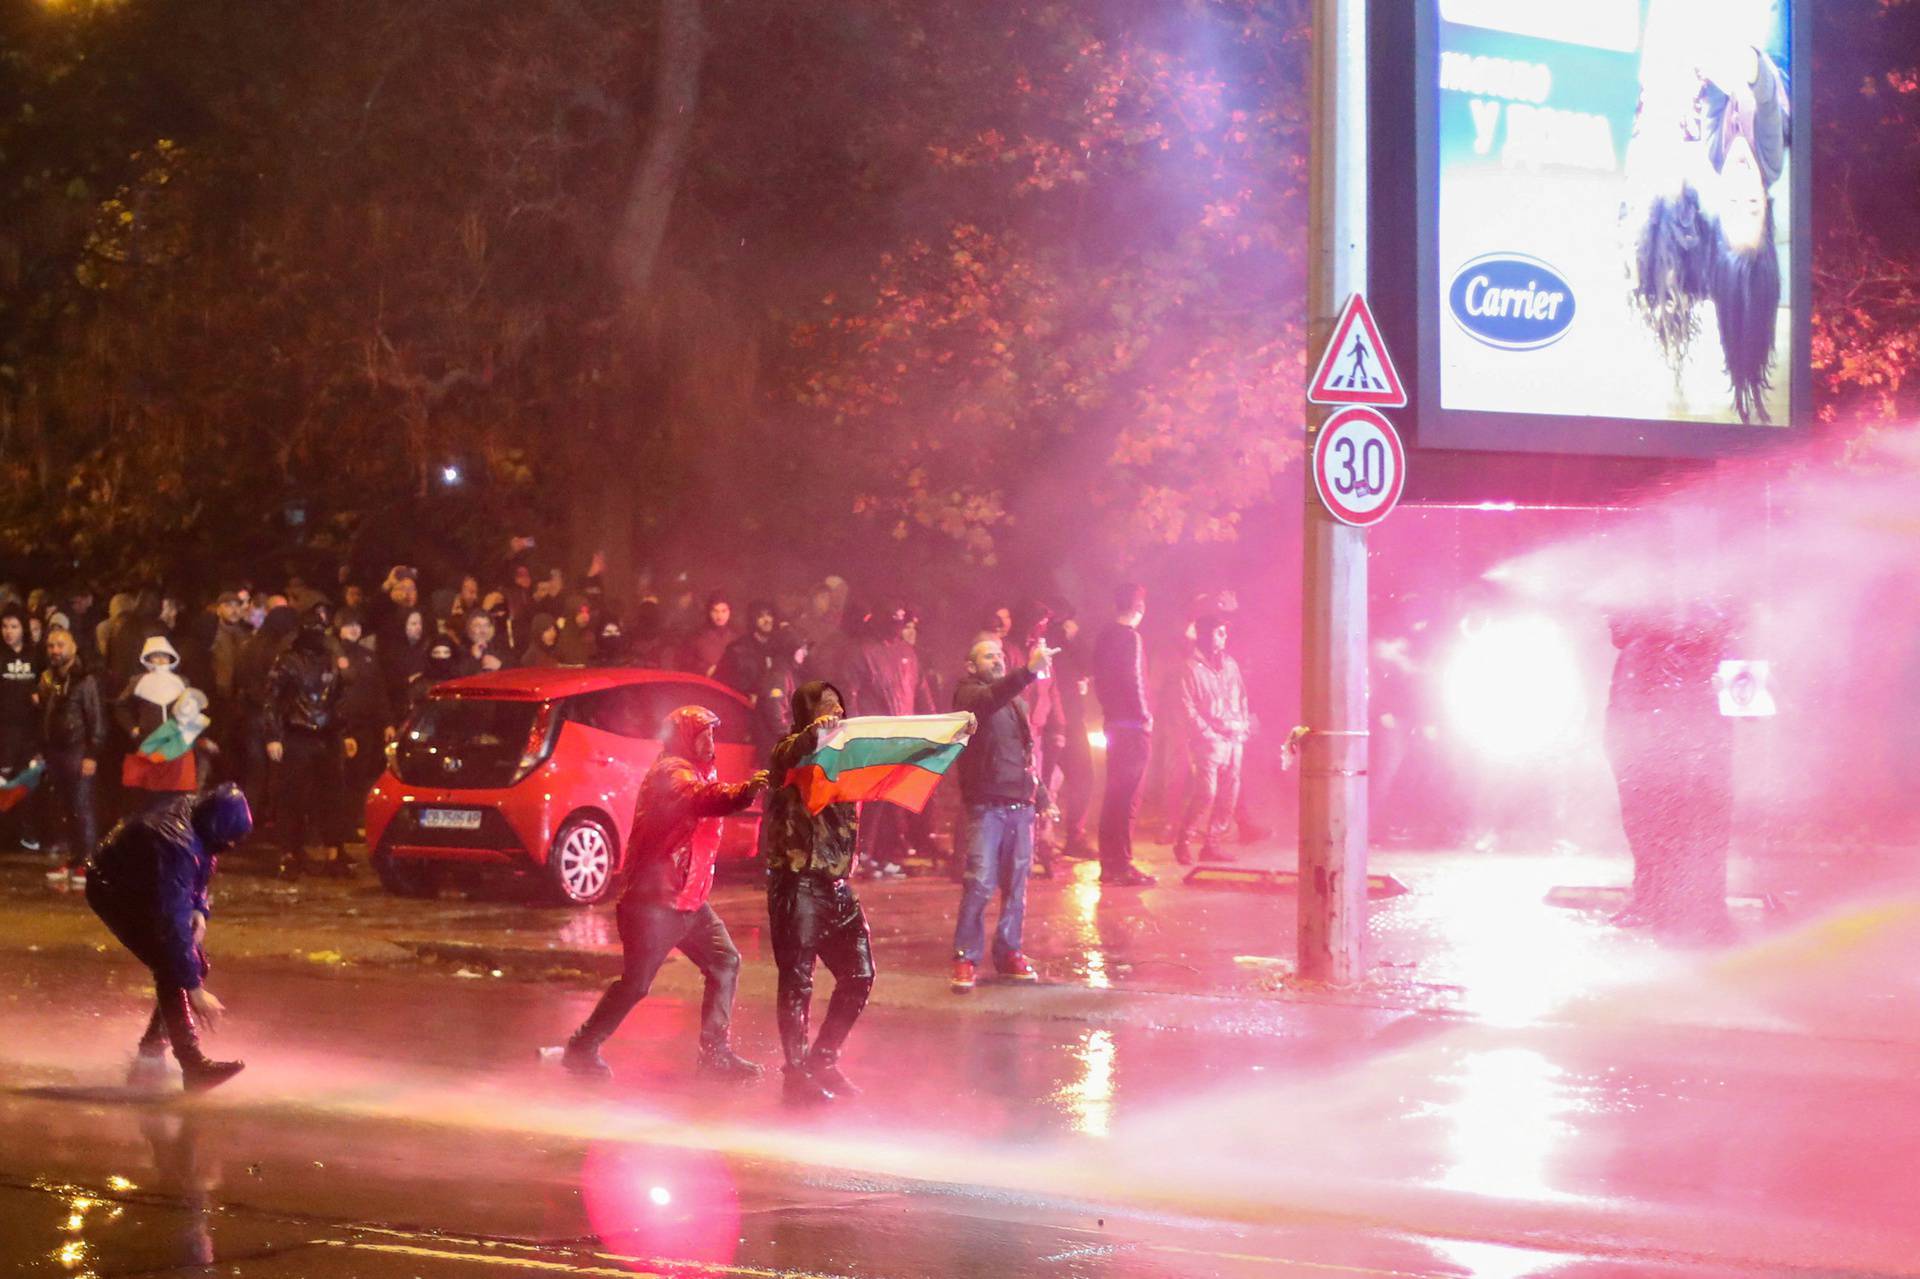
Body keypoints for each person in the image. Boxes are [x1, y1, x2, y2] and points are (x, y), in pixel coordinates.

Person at [553, 707, 770, 1083]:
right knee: (636, 985)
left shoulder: (698, 771)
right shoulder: (671, 774)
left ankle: (715, 1055)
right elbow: (705, 798)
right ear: (685, 737)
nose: (711, 742)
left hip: (686, 899)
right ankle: (582, 1047)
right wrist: (747, 791)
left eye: (713, 734)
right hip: (654, 903)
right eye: (703, 734)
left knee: (724, 962)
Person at [85, 784, 252, 1092]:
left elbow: (204, 862)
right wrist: (195, 990)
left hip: (142, 878)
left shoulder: (200, 818)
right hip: (113, 888)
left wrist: (200, 908)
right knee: (174, 968)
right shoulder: (176, 842)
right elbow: (172, 925)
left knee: (191, 965)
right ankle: (192, 1064)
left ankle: (152, 1051)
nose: (228, 847)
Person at [762, 681, 871, 1105]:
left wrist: (952, 731)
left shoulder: (846, 760)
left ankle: (824, 1057)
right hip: (798, 883)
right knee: (797, 981)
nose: (837, 715)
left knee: (860, 973)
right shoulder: (788, 754)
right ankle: (796, 1073)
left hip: (837, 887)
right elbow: (795, 750)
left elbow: (899, 748)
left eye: (840, 707)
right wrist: (819, 729)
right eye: (827, 710)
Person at [1603, 603, 1737, 941]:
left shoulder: (1716, 579)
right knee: (1642, 798)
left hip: (1695, 690)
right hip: (1642, 691)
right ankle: (1654, 894)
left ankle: (1691, 906)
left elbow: (1736, 617)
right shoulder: (1639, 579)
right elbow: (1619, 624)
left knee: (1696, 800)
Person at [949, 635, 1052, 992]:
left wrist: (1040, 795)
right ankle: (965, 957)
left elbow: (1026, 753)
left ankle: (1009, 952)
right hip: (986, 805)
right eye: (988, 656)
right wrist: (1027, 672)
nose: (997, 660)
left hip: (1019, 807)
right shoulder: (968, 696)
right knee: (979, 882)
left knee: (1016, 887)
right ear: (971, 666)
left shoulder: (1016, 703)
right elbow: (988, 700)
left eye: (1000, 656)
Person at [263, 607, 351, 878]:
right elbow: (273, 701)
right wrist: (273, 737)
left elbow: (339, 699)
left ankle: (333, 851)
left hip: (326, 735)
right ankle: (290, 853)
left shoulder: (331, 661)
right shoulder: (288, 662)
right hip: (297, 734)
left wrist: (343, 732)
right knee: (293, 796)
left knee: (332, 796)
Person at [845, 601, 921, 878]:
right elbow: (850, 692)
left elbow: (915, 690)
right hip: (874, 734)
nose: (896, 629)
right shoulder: (862, 651)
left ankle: (884, 853)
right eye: (892, 623)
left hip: (901, 735)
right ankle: (863, 852)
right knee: (872, 799)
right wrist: (855, 731)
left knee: (891, 800)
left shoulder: (907, 652)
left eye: (900, 624)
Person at [1090, 584, 1157, 886]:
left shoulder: (1103, 637)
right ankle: (1123, 864)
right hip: (1132, 728)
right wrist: (1145, 717)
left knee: (1113, 795)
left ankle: (1110, 863)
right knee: (1129, 798)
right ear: (1139, 608)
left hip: (1113, 724)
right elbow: (1136, 681)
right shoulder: (1132, 639)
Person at [1174, 613, 1251, 865]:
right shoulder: (1189, 667)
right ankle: (1183, 841)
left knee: (1229, 794)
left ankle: (1212, 844)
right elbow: (1186, 707)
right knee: (1206, 793)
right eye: (1219, 632)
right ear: (1205, 634)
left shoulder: (1230, 664)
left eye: (1224, 632)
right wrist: (1206, 734)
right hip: (1209, 741)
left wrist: (1242, 726)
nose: (1224, 636)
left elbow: (1241, 696)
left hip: (1233, 738)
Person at [40, 628, 105, 887]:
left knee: (82, 807)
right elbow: (44, 716)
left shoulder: (85, 680)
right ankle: (73, 856)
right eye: (51, 646)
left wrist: (92, 753)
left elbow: (97, 719)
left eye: (60, 645)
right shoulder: (47, 678)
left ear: (73, 647)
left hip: (77, 751)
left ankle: (88, 859)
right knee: (64, 808)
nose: (55, 650)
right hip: (54, 752)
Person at [0, 606, 43, 849]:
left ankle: (28, 834)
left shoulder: (34, 655)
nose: (8, 632)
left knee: (27, 784)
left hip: (30, 733)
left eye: (14, 626)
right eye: (4, 626)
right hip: (4, 732)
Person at [715, 600, 779, 696]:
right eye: (760, 616)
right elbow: (721, 683)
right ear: (753, 620)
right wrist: (748, 696)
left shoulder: (780, 646)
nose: (767, 620)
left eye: (769, 615)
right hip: (743, 706)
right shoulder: (737, 649)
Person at [684, 591, 737, 678]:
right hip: (707, 685)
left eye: (724, 611)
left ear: (730, 612)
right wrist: (705, 669)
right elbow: (686, 661)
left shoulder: (737, 637)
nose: (719, 616)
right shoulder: (697, 636)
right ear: (709, 612)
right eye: (715, 611)